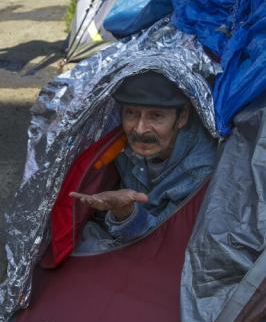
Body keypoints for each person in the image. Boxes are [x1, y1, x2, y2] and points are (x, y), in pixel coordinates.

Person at [70, 70, 216, 243]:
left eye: (156, 116)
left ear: (182, 116)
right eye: (131, 113)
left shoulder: (199, 172)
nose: (139, 129)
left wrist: (125, 213)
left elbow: (164, 241)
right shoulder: (121, 146)